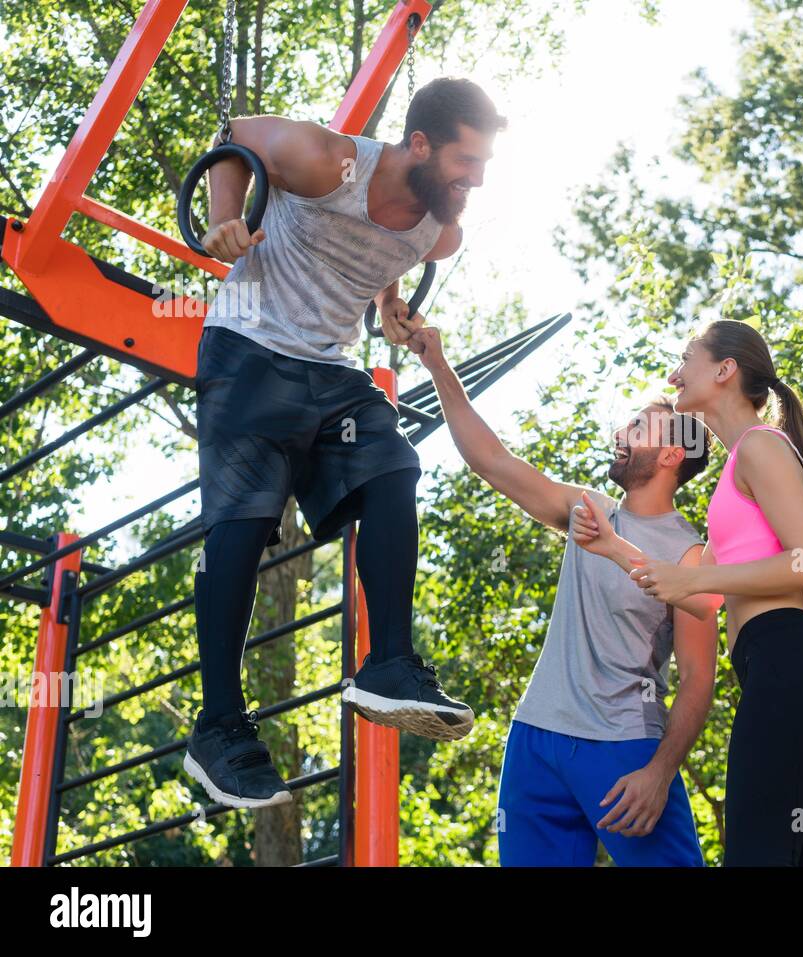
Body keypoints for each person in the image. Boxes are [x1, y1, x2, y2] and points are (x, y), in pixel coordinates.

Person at [185, 78, 506, 809]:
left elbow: (386, 257)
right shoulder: (331, 163)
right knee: (241, 526)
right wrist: (225, 218)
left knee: (394, 467)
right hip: (248, 346)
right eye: (466, 161)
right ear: (418, 145)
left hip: (329, 369)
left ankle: (389, 662)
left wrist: (389, 307)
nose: (476, 180)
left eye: (485, 164)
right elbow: (234, 133)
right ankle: (219, 725)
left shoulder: (442, 228)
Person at [406, 325, 717, 866]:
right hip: (535, 741)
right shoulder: (588, 510)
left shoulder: (692, 557)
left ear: (671, 454)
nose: (622, 432)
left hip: (623, 749)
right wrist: (438, 366)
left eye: (638, 428)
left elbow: (699, 679)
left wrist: (660, 771)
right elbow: (492, 461)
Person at [570, 319, 803, 866]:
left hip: (788, 671)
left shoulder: (760, 446)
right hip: (793, 679)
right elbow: (700, 600)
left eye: (686, 359)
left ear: (725, 371)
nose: (674, 374)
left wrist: (700, 577)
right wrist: (614, 548)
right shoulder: (737, 470)